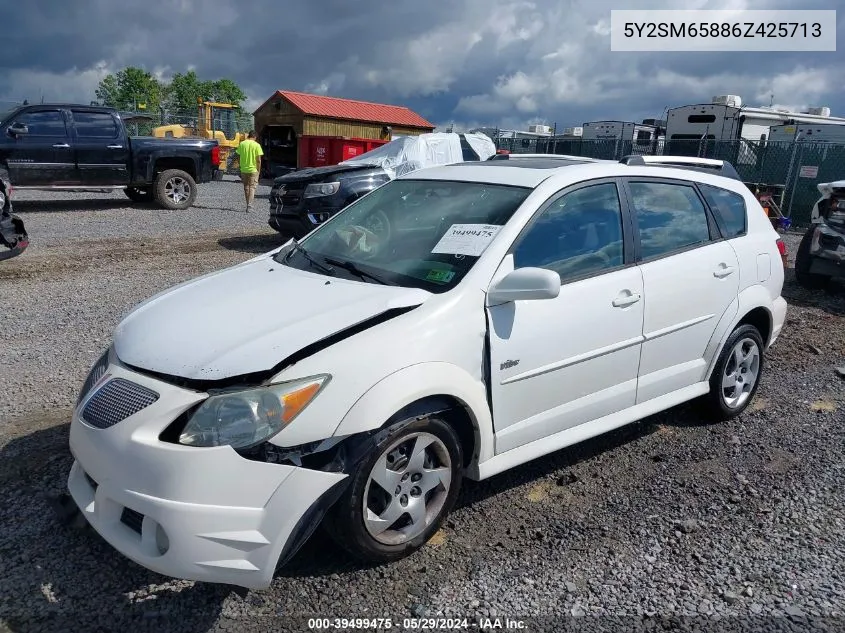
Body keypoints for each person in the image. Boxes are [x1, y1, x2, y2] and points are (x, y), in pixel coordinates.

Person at [235, 131, 263, 212]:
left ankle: (247, 204)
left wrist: (240, 165)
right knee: (252, 187)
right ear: (255, 137)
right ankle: (250, 206)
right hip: (253, 169)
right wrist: (258, 170)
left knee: (246, 187)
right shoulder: (257, 145)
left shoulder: (242, 144)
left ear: (248, 136)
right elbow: (258, 160)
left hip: (243, 169)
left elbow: (238, 156)